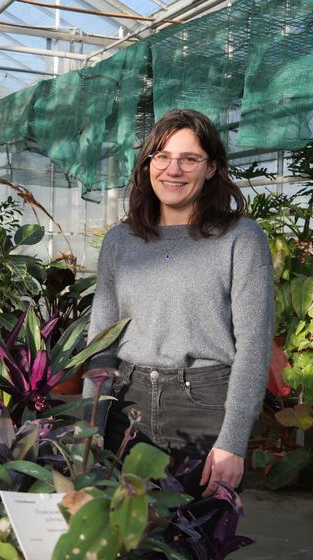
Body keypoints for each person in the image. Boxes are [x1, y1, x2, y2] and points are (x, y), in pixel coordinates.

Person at [83, 108, 274, 499]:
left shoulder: (241, 238)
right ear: (148, 164)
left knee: (196, 536)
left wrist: (233, 442)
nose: (173, 170)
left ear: (211, 169)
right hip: (127, 403)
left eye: (190, 159)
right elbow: (100, 344)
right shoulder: (120, 241)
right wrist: (90, 426)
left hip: (204, 406)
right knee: (127, 536)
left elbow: (254, 346)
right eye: (163, 156)